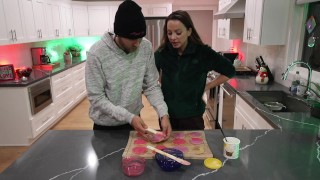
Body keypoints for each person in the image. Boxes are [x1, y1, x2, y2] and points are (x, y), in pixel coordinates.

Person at [85, 0, 171, 139]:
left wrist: (163, 114)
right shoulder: (97, 54)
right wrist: (128, 117)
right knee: (108, 162)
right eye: (132, 39)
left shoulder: (145, 47)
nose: (137, 43)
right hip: (105, 128)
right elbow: (97, 98)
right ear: (118, 34)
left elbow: (151, 86)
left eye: (140, 38)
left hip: (134, 122)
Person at [155, 10, 236, 130]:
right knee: (168, 149)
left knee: (193, 148)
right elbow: (151, 79)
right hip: (167, 116)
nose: (173, 37)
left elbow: (230, 70)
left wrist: (207, 86)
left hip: (192, 117)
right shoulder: (162, 53)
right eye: (169, 33)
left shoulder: (203, 53)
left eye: (178, 32)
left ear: (189, 31)